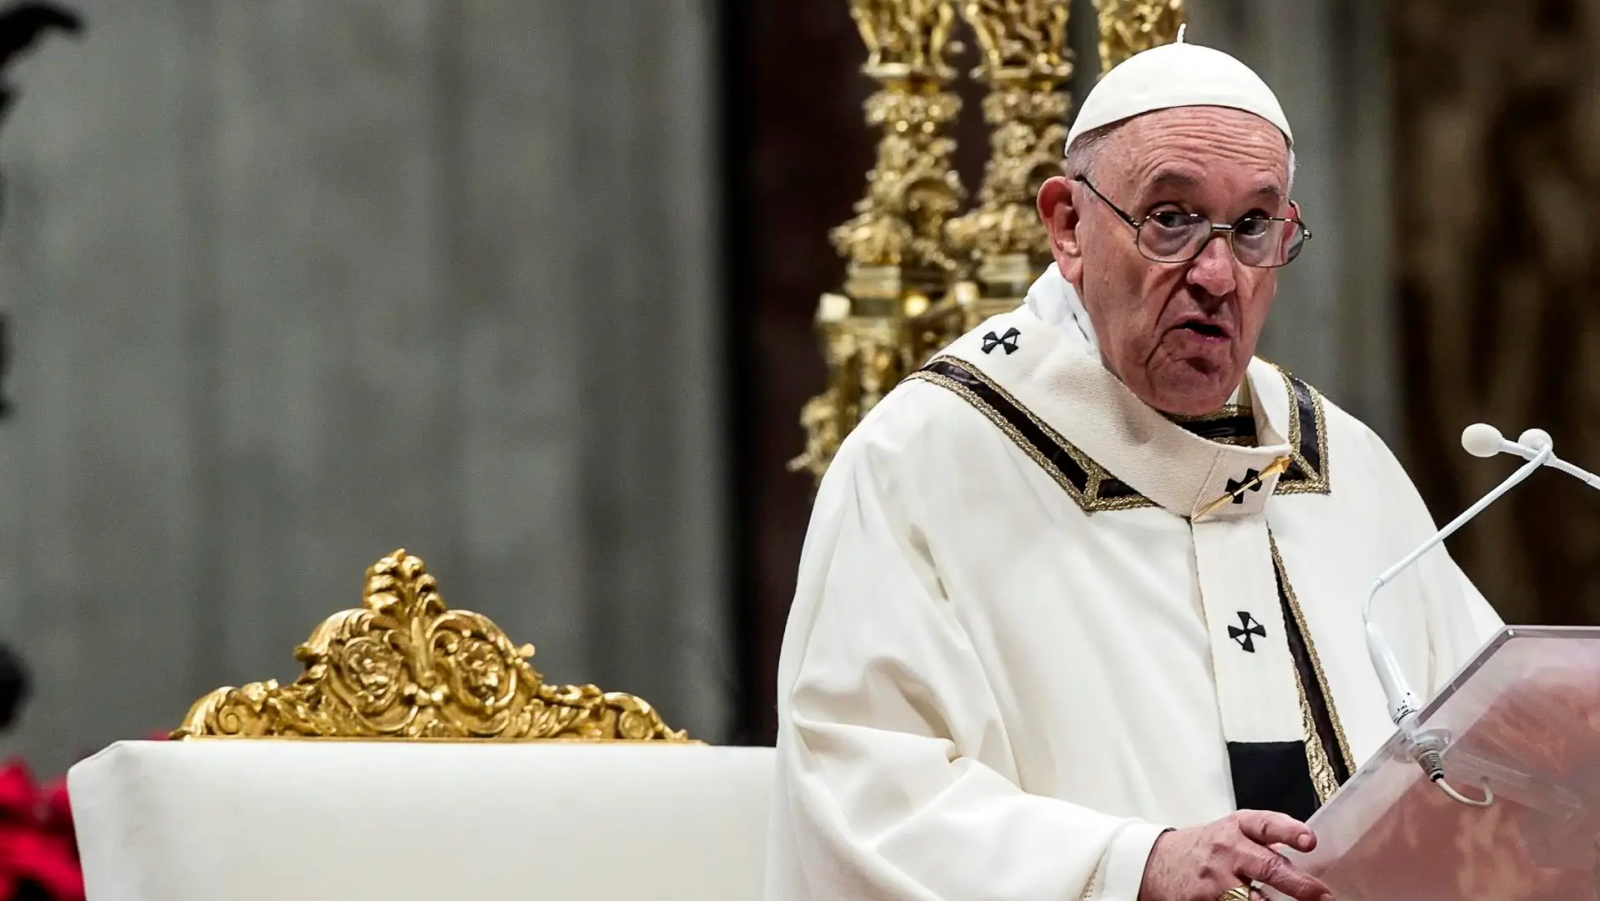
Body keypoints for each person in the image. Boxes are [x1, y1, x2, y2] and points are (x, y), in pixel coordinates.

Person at [764, 35, 1503, 901]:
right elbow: (861, 791)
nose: (1218, 274)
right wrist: (1134, 864)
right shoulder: (923, 460)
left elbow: (1492, 747)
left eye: (1256, 226)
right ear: (1068, 226)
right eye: (1172, 219)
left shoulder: (1344, 464)